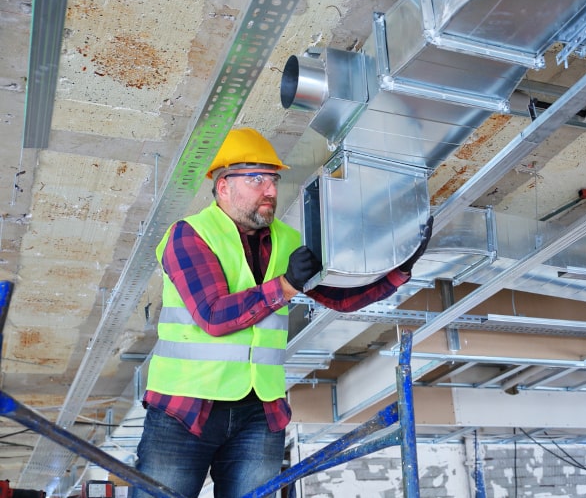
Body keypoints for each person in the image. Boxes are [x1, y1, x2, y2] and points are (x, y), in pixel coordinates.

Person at [132, 127, 432, 498]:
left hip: (259, 410)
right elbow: (213, 316)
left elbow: (342, 298)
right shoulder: (189, 235)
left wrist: (402, 266)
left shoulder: (288, 242)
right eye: (257, 179)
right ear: (223, 186)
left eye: (273, 179)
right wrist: (286, 285)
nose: (271, 190)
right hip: (184, 406)